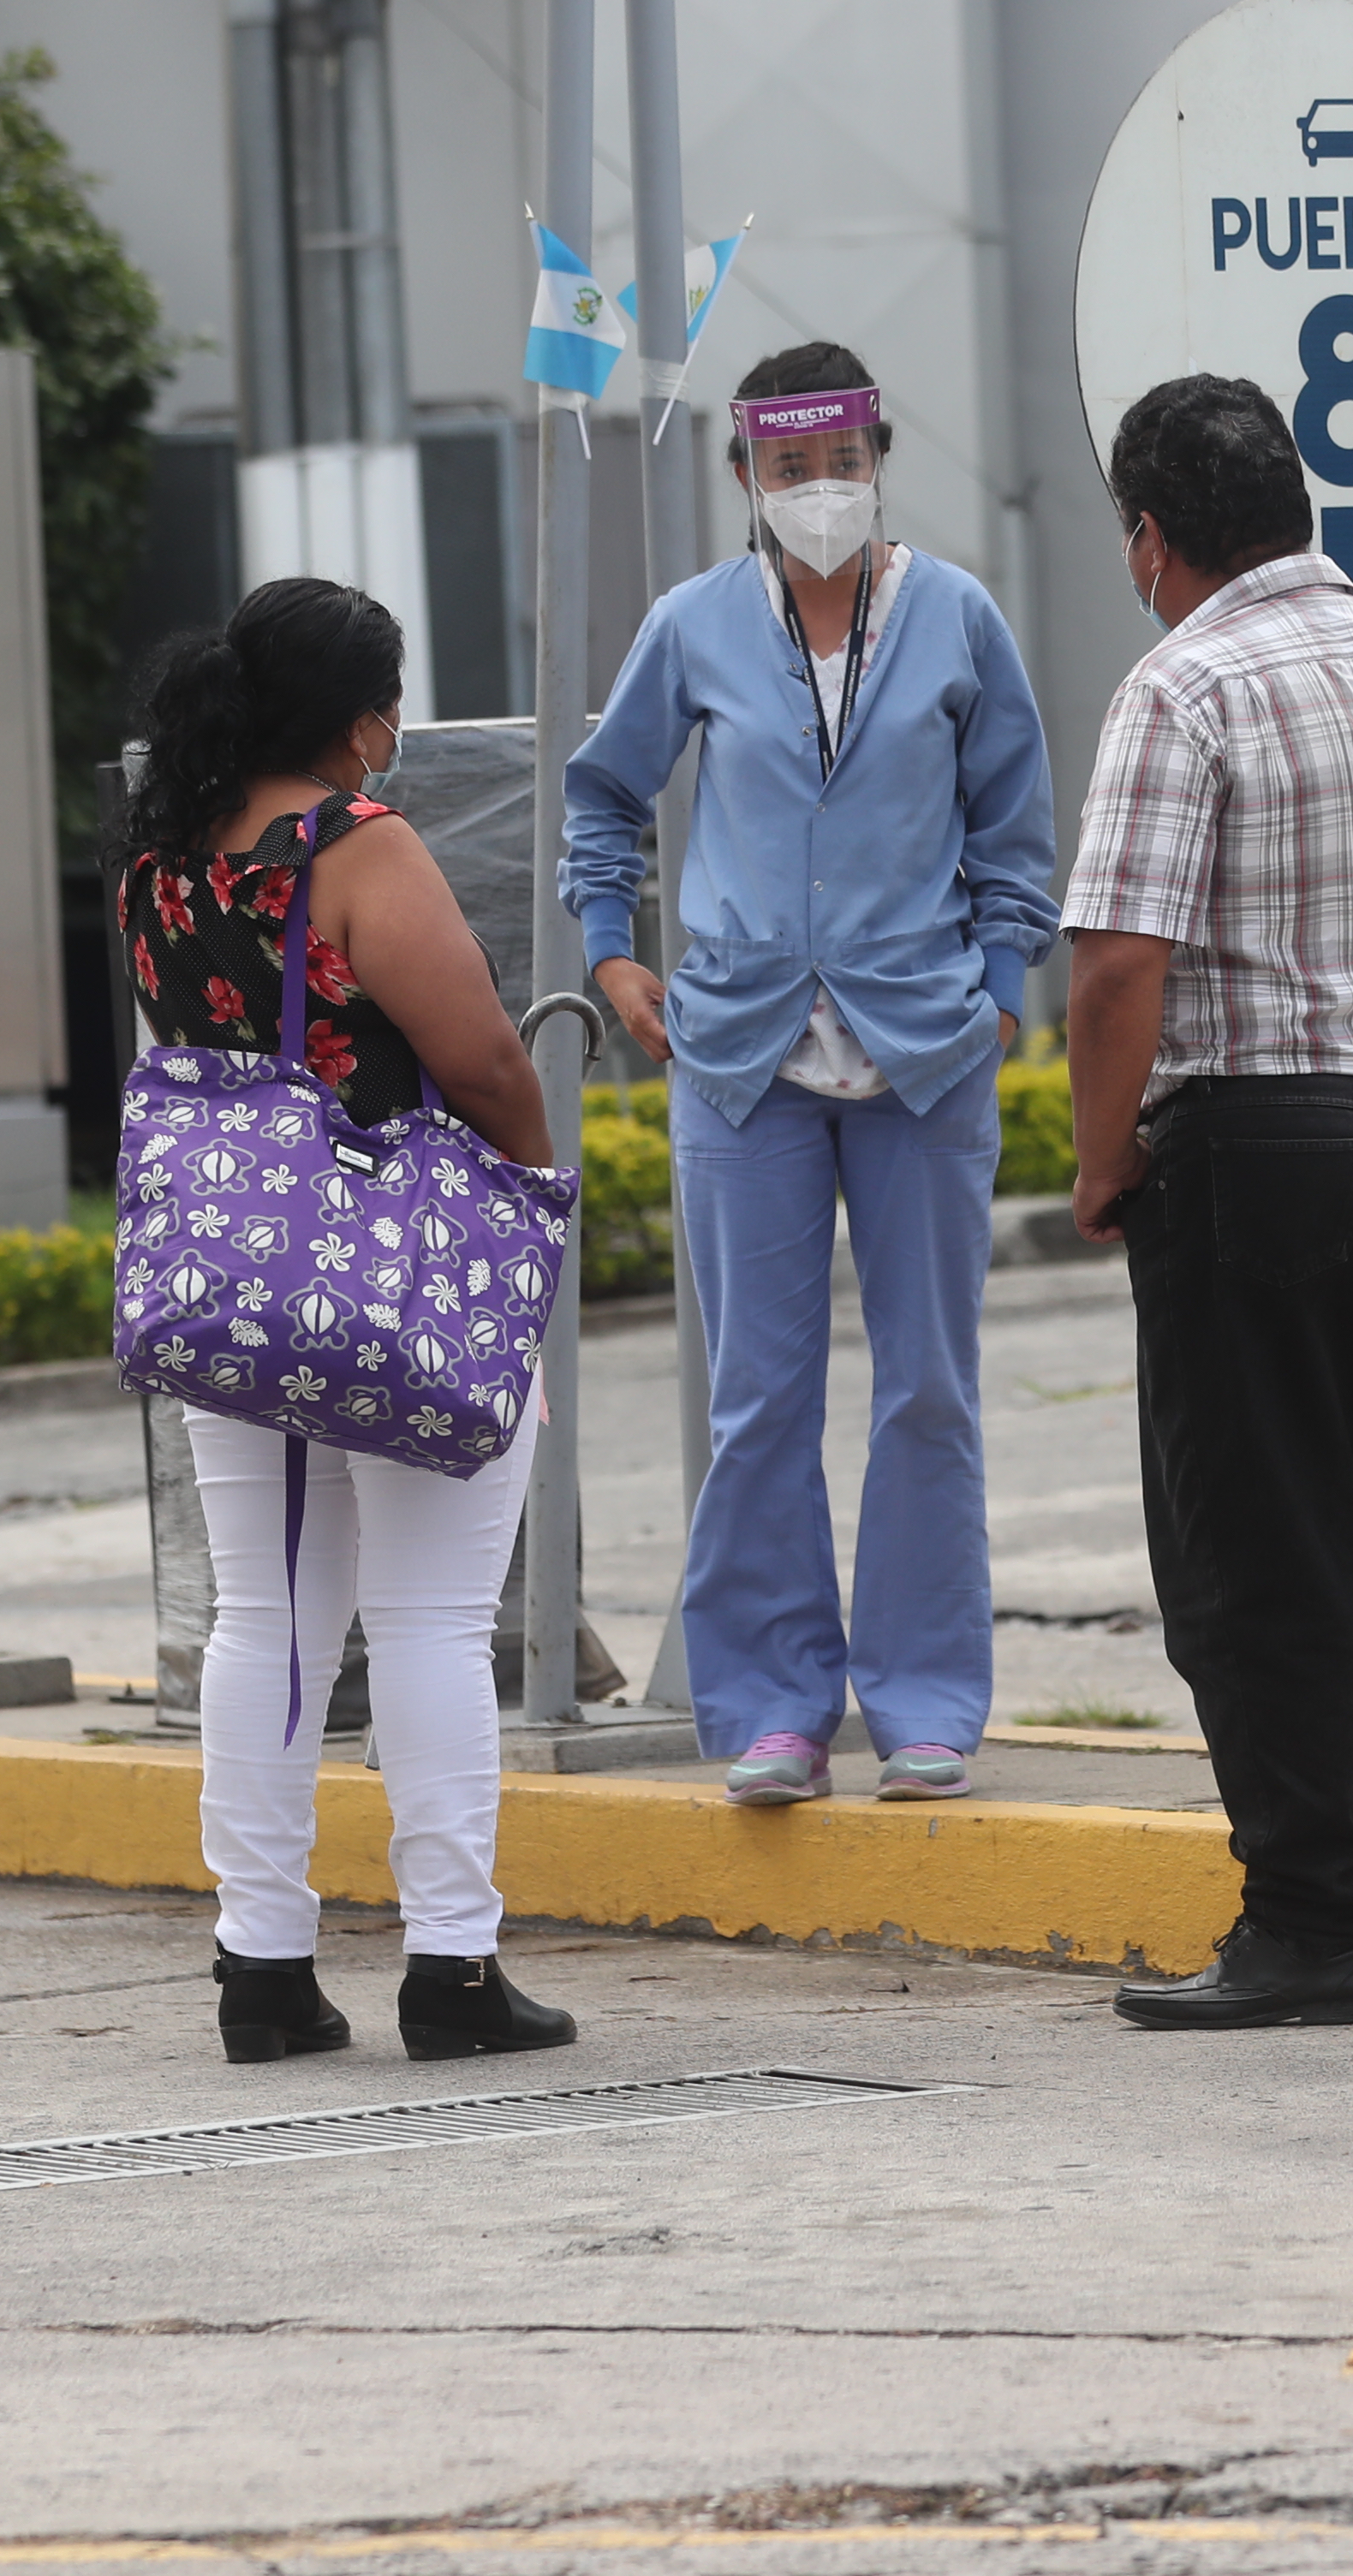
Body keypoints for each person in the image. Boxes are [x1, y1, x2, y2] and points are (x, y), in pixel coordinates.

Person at [1058, 372, 1353, 2031]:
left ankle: (1309, 1925)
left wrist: (1101, 1153)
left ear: (1152, 538)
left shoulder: (1179, 691)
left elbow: (1121, 959)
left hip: (1261, 1152)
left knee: (1260, 1549)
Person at [562, 342, 1061, 1804]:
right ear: (745, 478)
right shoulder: (694, 626)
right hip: (740, 1057)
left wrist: (1003, 994)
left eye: (842, 462)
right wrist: (611, 949)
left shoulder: (958, 618)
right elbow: (605, 792)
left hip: (925, 1051)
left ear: (878, 457)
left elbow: (1015, 826)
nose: (820, 490)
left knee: (927, 1391)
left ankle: (923, 1702)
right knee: (758, 1399)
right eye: (790, 468)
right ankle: (777, 1706)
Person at [116, 575, 580, 2067]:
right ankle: (451, 1966)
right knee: (434, 1618)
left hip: (228, 1277)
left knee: (265, 1612)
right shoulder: (356, 849)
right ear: (362, 719)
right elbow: (487, 1058)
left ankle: (261, 1966)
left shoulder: (162, 861)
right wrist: (533, 1195)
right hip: (391, 1276)